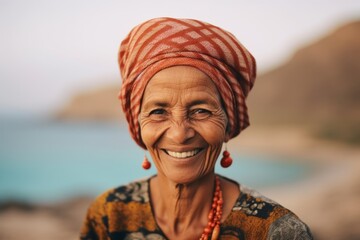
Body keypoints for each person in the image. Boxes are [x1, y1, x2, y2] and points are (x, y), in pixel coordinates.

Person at [80, 17, 313, 240]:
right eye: (158, 112)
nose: (180, 134)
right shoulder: (108, 216)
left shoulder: (277, 231)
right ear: (137, 125)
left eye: (201, 111)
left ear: (229, 124)